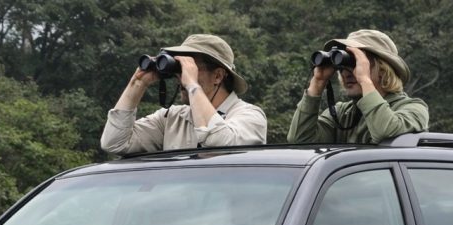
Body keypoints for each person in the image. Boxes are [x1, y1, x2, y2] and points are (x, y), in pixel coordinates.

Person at [100, 34, 267, 155]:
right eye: (180, 68)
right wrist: (137, 84)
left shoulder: (250, 116)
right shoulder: (171, 119)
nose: (181, 77)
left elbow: (220, 141)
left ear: (217, 76)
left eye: (191, 68)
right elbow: (114, 143)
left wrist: (193, 86)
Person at [287, 29, 428, 145]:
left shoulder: (414, 109)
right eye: (342, 66)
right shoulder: (342, 114)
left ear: (383, 70)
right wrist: (317, 83)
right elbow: (299, 140)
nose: (346, 73)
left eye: (355, 64)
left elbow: (385, 131)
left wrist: (364, 79)